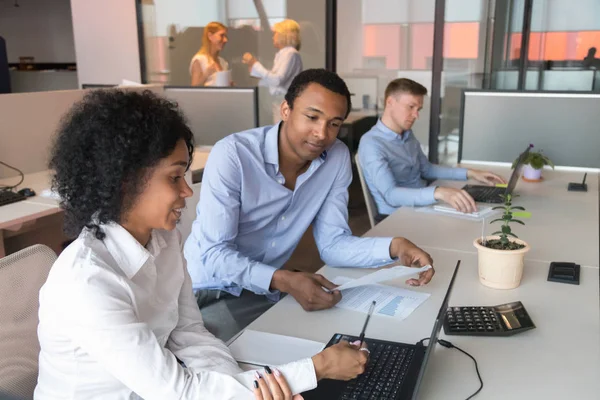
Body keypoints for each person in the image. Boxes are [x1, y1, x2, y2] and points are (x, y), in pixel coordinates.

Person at [34, 89, 369, 399]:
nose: (187, 192)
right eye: (174, 177)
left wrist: (252, 388)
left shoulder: (164, 238)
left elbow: (189, 331)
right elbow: (180, 392)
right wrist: (315, 369)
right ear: (125, 181)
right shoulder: (87, 282)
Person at [184, 69, 435, 341]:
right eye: (312, 117)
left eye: (334, 124)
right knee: (270, 362)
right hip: (208, 291)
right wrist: (283, 280)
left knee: (352, 338)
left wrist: (395, 246)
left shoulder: (336, 157)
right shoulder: (233, 154)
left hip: (267, 288)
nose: (321, 134)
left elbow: (333, 244)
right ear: (286, 110)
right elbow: (214, 254)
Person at [357, 78, 506, 221]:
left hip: (423, 208)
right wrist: (438, 192)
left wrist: (471, 173)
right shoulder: (371, 144)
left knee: (486, 213)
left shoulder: (407, 135)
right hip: (398, 218)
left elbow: (427, 170)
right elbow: (391, 195)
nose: (416, 115)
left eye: (418, 109)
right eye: (411, 107)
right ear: (390, 102)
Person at [242, 19, 303, 123]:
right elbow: (273, 80)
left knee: (281, 132)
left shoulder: (290, 54)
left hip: (284, 102)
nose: (272, 37)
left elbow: (277, 80)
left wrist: (255, 65)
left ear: (284, 35)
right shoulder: (284, 54)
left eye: (275, 33)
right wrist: (255, 70)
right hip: (279, 102)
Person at [190, 21, 230, 87]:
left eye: (225, 36)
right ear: (210, 36)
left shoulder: (223, 62)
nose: (225, 40)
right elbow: (193, 90)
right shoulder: (199, 60)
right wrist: (205, 75)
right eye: (222, 35)